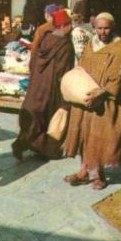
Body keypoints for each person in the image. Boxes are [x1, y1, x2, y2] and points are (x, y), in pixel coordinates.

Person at [63, 12, 121, 190]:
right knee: (84, 135)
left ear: (113, 27)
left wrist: (103, 92)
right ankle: (84, 171)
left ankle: (98, 176)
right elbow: (82, 67)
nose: (103, 32)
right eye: (99, 28)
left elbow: (120, 75)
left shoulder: (120, 47)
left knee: (98, 138)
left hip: (106, 99)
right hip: (86, 96)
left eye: (106, 28)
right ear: (94, 28)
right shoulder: (91, 45)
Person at [13, 9, 75, 161]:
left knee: (35, 116)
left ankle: (26, 144)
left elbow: (34, 60)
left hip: (37, 85)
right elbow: (63, 69)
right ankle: (29, 145)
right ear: (63, 26)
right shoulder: (65, 44)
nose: (71, 28)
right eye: (69, 25)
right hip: (52, 86)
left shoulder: (46, 39)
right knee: (49, 116)